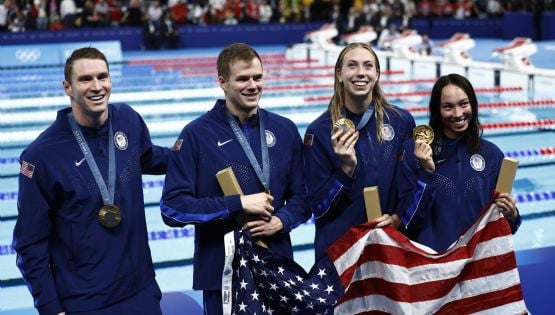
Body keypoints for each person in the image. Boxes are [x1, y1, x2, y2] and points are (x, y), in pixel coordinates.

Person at [12, 47, 170, 315]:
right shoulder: (41, 156)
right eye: (85, 79)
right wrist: (51, 308)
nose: (97, 86)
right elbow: (30, 243)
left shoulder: (128, 121)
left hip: (141, 290)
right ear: (68, 88)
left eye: (103, 76)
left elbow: (149, 157)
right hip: (85, 302)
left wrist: (202, 152)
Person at [160, 43, 310, 315]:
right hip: (223, 274)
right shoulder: (196, 135)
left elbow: (302, 197)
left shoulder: (284, 129)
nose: (252, 85)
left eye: (258, 77)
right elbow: (173, 208)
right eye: (243, 78)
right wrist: (238, 203)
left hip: (277, 267)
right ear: (223, 83)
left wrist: (281, 220)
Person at [303, 42, 416, 260]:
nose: (361, 73)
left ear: (377, 73)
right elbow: (318, 208)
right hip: (341, 252)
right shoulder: (319, 131)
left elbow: (411, 183)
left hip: (389, 247)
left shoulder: (401, 122)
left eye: (368, 66)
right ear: (339, 74)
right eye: (352, 66)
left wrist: (399, 217)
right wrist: (345, 169)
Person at [395, 73, 521, 252]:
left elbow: (506, 225)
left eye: (464, 104)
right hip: (430, 265)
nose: (458, 114)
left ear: (473, 105)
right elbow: (407, 222)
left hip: (475, 266)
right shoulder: (413, 152)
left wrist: (513, 215)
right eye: (448, 107)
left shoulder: (492, 155)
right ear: (437, 110)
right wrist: (427, 174)